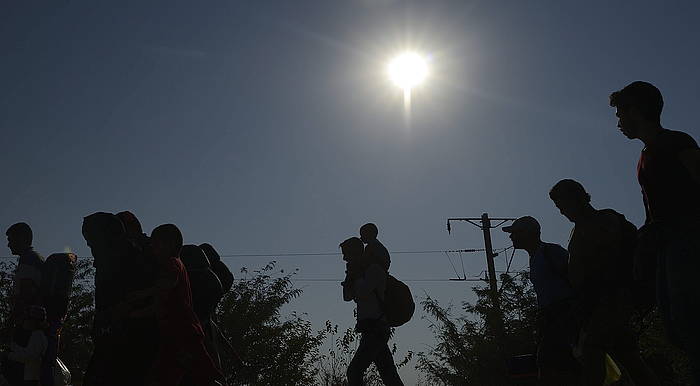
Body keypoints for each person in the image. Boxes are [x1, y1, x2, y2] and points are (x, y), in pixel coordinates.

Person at [610, 80, 700, 383]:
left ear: (637, 110)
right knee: (675, 326)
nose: (619, 122)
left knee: (690, 320)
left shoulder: (677, 142)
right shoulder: (644, 156)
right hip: (664, 244)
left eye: (621, 114)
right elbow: (652, 210)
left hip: (687, 238)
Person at [549, 179, 658, 386]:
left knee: (592, 350)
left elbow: (610, 263)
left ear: (576, 199)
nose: (562, 212)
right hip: (597, 302)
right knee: (629, 357)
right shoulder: (581, 227)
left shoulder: (603, 220)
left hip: (610, 298)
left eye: (562, 205)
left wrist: (600, 297)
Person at [130, 224, 222, 386]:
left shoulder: (173, 264)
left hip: (183, 329)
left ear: (170, 244)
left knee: (200, 372)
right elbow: (160, 304)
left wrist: (140, 295)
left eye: (156, 243)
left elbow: (166, 286)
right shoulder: (173, 265)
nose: (153, 247)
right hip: (173, 332)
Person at [502, 216, 579, 384]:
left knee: (549, 364)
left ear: (528, 234)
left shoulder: (551, 252)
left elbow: (575, 278)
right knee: (557, 364)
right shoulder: (535, 257)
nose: (511, 237)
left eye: (514, 233)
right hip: (550, 317)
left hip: (564, 315)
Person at [341, 237, 403, 386]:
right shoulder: (359, 272)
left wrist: (353, 276)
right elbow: (347, 297)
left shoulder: (374, 269)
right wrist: (350, 275)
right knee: (389, 375)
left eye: (346, 254)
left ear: (355, 252)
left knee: (354, 371)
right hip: (371, 329)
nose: (344, 258)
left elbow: (363, 291)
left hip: (376, 328)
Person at [5, 223, 44, 326]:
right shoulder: (34, 258)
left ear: (21, 238)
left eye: (10, 240)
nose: (8, 245)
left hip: (29, 327)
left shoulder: (28, 259)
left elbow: (26, 293)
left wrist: (13, 319)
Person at [1, 306, 49, 386]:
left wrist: (8, 354)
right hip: (29, 378)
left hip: (30, 379)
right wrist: (12, 346)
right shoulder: (38, 335)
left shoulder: (37, 336)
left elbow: (28, 356)